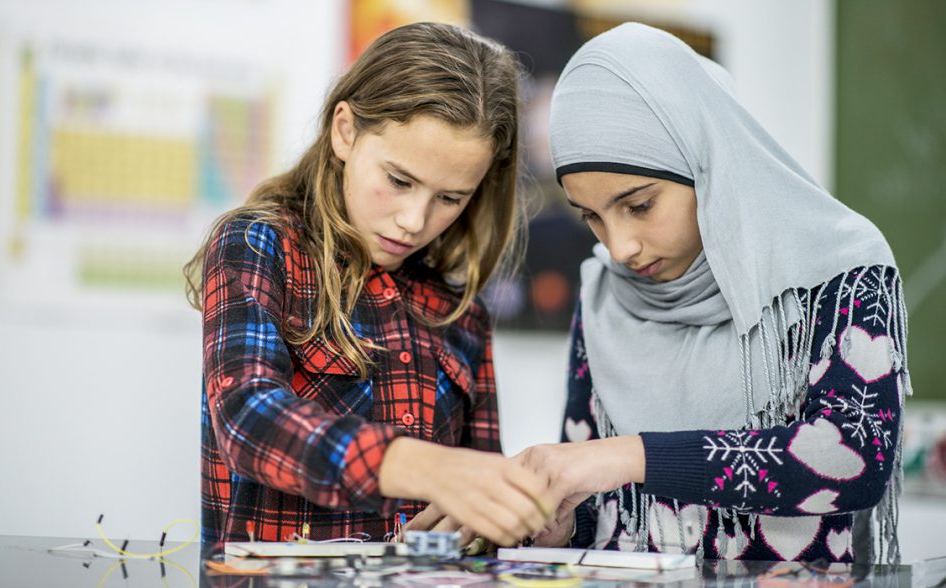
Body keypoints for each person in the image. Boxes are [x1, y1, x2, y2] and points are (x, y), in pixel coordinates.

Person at [517, 23, 911, 564]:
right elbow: (603, 505)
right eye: (592, 217)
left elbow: (852, 459)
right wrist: (560, 524)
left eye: (639, 205)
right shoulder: (605, 292)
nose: (621, 245)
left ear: (706, 163)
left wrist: (637, 456)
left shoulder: (840, 273)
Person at [183, 22, 554, 547]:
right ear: (345, 131)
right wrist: (419, 467)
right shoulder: (258, 244)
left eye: (450, 198)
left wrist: (510, 516)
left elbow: (477, 495)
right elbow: (247, 418)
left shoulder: (459, 309)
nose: (414, 219)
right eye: (399, 181)